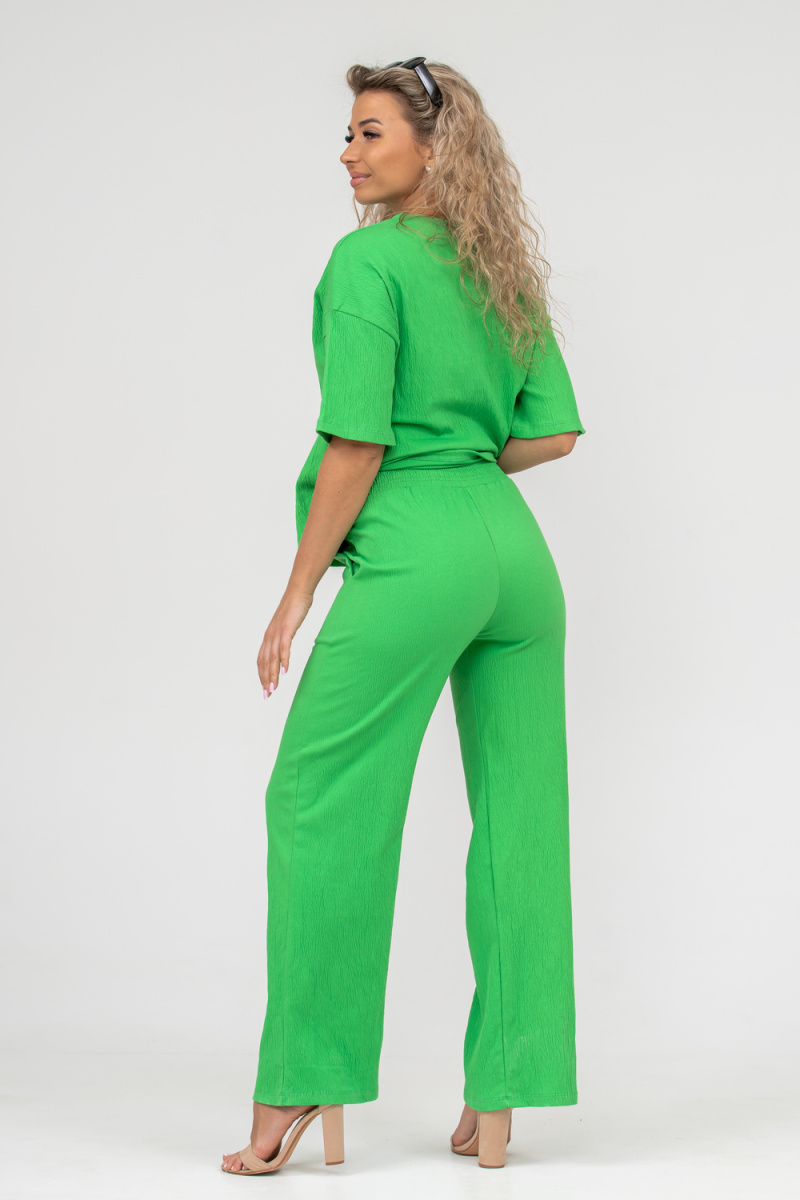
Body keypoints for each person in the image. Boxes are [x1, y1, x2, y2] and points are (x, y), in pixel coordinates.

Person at [221, 56, 586, 1176]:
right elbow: (554, 432)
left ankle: (303, 1077)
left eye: (369, 132)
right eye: (347, 134)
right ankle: (502, 1094)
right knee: (521, 818)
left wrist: (297, 589)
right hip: (515, 556)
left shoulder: (366, 263)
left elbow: (357, 442)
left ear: (433, 146)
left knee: (318, 797)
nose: (347, 153)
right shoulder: (495, 267)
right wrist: (464, 454)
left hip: (417, 546)